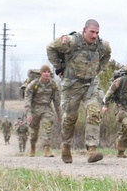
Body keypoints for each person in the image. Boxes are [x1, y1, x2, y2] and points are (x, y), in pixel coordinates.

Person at [47, 19, 111, 164]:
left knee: (94, 112)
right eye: (92, 32)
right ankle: (66, 145)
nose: (94, 36)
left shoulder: (102, 45)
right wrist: (59, 67)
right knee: (70, 118)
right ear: (84, 30)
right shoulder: (71, 41)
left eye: (97, 33)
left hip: (91, 84)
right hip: (72, 85)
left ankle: (92, 149)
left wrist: (99, 68)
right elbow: (50, 47)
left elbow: (107, 54)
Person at [23, 64, 62, 158]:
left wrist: (59, 115)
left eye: (48, 72)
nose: (46, 74)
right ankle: (32, 147)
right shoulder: (34, 84)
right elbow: (27, 99)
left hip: (47, 108)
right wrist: (28, 113)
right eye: (44, 72)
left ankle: (46, 149)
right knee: (33, 131)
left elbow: (57, 101)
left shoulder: (53, 85)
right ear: (41, 73)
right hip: (35, 109)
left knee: (47, 128)